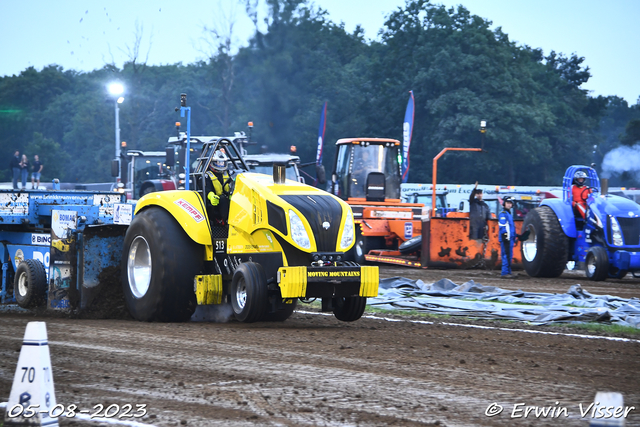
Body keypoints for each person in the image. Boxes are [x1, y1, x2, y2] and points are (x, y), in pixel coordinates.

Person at [498, 196, 529, 278]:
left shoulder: (508, 214)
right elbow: (502, 226)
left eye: (510, 203)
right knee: (506, 255)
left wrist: (516, 236)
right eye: (507, 203)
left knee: (509, 255)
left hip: (510, 238)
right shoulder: (503, 214)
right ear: (504, 204)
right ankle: (505, 273)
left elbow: (510, 228)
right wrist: (505, 235)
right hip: (506, 239)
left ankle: (508, 271)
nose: (509, 205)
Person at [205, 150, 234, 223]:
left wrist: (233, 195)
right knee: (222, 198)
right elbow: (206, 189)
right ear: (213, 162)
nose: (221, 164)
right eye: (218, 162)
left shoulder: (229, 173)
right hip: (214, 204)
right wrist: (211, 196)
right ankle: (226, 222)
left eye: (222, 162)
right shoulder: (207, 175)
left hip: (230, 200)